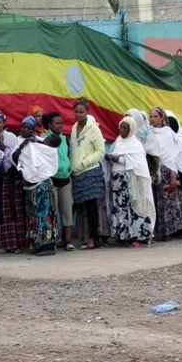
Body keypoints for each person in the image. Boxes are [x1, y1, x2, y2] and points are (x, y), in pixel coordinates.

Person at [13, 116, 60, 256]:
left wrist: (32, 143)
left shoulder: (39, 142)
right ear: (20, 127)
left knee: (45, 214)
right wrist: (23, 145)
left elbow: (49, 155)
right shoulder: (18, 142)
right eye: (24, 127)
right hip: (30, 186)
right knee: (33, 215)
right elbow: (14, 158)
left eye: (29, 128)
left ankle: (49, 246)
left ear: (33, 130)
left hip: (42, 184)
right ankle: (39, 244)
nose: (26, 130)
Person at [106, 116, 155, 247]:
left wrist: (121, 160)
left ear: (131, 129)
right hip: (117, 180)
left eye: (125, 128)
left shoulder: (136, 145)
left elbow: (138, 164)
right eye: (121, 127)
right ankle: (121, 235)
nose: (122, 130)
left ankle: (136, 236)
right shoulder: (118, 142)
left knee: (132, 207)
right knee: (119, 208)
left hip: (131, 180)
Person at [0, 110, 24, 254]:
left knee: (12, 210)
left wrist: (2, 146)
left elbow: (11, 158)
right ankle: (0, 244)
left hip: (10, 178)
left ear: (4, 123)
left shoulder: (11, 137)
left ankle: (15, 244)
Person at [70, 99, 106, 250]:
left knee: (91, 207)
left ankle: (94, 239)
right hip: (76, 173)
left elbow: (100, 151)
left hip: (90, 171)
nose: (78, 114)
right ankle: (82, 238)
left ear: (87, 112)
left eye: (81, 112)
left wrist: (85, 163)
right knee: (80, 207)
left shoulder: (93, 129)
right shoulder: (73, 127)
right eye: (76, 112)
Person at [148, 107, 182, 241]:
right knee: (155, 199)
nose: (153, 119)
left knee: (167, 200)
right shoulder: (149, 133)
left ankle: (168, 231)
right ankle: (157, 229)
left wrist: (174, 175)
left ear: (162, 118)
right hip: (154, 169)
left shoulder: (168, 134)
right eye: (151, 116)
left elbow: (172, 155)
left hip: (166, 169)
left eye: (155, 116)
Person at [42, 112, 74, 251]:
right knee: (52, 211)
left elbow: (68, 156)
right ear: (49, 124)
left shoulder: (65, 139)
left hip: (65, 179)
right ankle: (53, 240)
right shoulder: (44, 139)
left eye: (62, 123)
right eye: (57, 123)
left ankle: (67, 241)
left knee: (67, 211)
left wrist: (69, 170)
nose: (60, 125)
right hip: (51, 180)